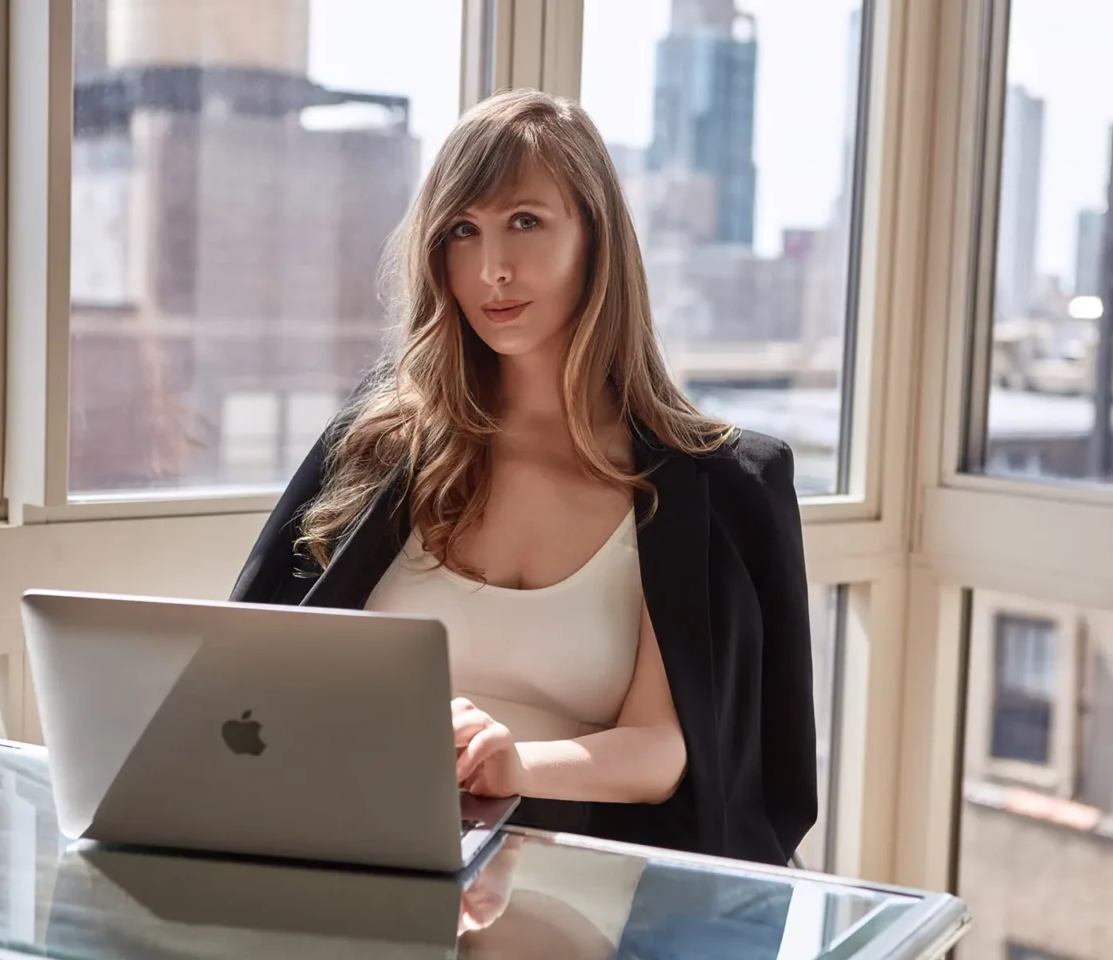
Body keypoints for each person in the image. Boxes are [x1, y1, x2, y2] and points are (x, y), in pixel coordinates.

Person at [230, 89, 816, 867]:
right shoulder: (376, 442)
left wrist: (513, 764)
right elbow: (253, 665)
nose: (492, 270)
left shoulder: (709, 487)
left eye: (526, 223)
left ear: (596, 239)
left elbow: (663, 750)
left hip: (580, 876)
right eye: (463, 232)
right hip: (354, 852)